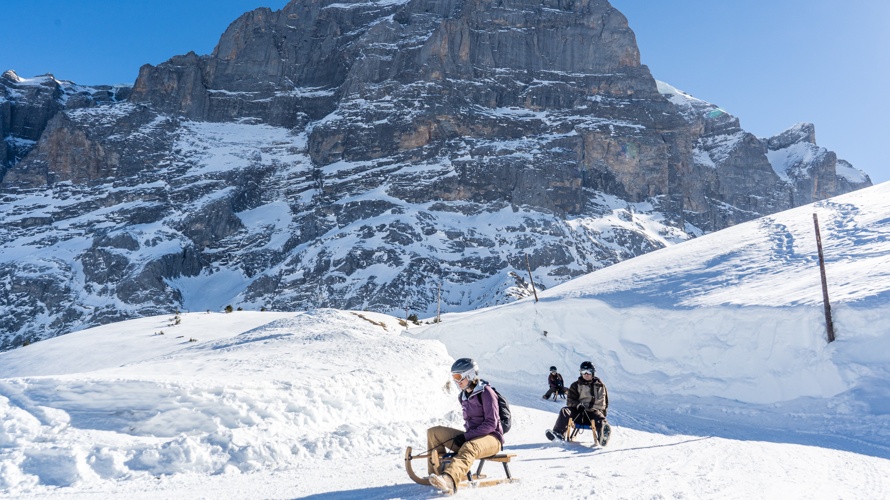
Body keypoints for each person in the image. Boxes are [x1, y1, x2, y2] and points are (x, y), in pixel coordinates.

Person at [427, 358, 504, 494]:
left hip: (492, 439)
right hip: (472, 438)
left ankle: (450, 479)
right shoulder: (463, 395)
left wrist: (466, 437)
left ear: (470, 375)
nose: (456, 381)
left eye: (458, 377)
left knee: (470, 446)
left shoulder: (486, 392)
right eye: (454, 377)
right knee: (434, 432)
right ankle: (437, 475)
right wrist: (467, 436)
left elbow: (491, 423)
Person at [545, 361, 609, 444]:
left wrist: (602, 413)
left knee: (601, 420)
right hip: (579, 413)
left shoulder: (600, 386)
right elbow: (570, 400)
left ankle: (603, 436)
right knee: (565, 411)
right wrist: (578, 405)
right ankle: (558, 434)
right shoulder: (575, 385)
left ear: (593, 372)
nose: (586, 374)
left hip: (594, 413)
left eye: (589, 371)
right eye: (584, 371)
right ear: (581, 372)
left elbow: (605, 402)